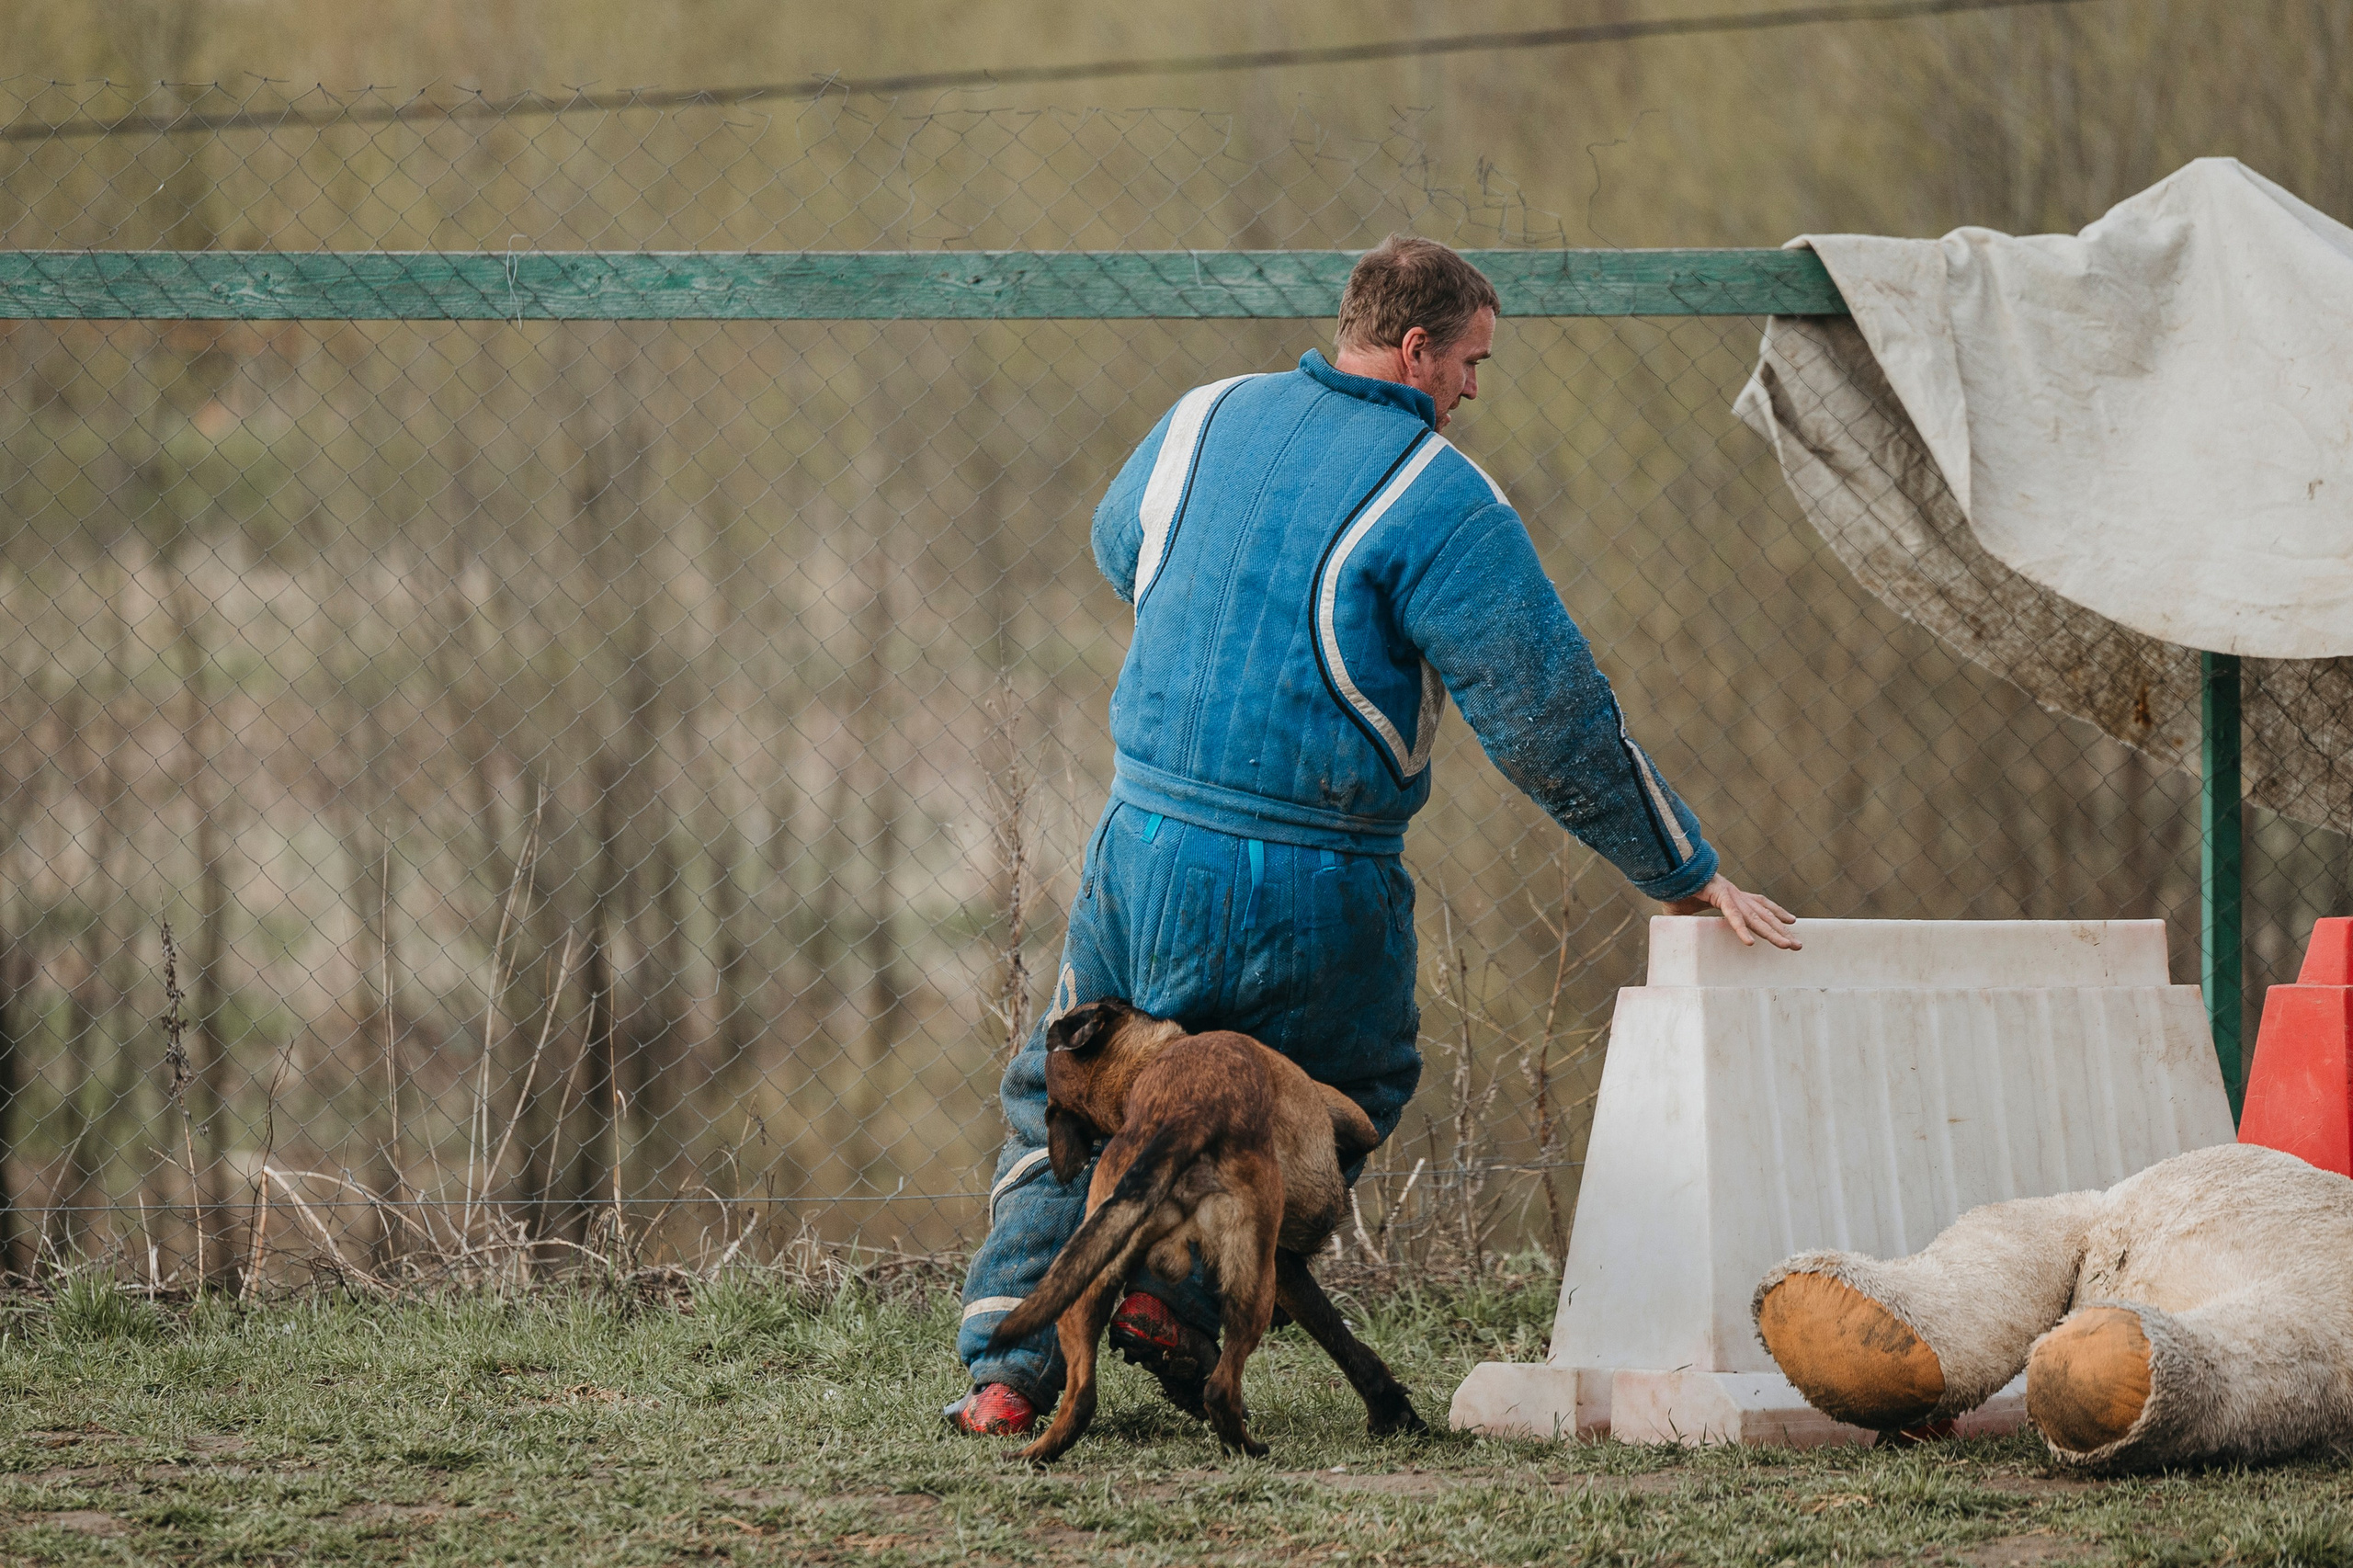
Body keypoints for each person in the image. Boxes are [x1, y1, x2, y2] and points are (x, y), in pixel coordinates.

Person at [948, 234, 1800, 1437]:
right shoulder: (1440, 494)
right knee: (1337, 1095)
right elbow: (1550, 719)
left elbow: (1114, 540)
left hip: (1143, 840)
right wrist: (1683, 866)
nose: (1471, 390)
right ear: (1416, 352)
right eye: (1470, 363)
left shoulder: (1200, 418)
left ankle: (1004, 1369)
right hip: (1317, 875)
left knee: (1068, 1086)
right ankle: (1181, 1301)